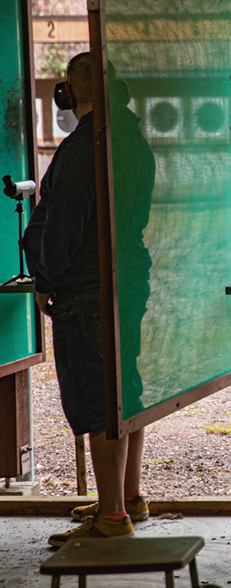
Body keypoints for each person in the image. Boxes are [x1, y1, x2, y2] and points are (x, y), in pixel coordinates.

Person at [22, 52, 154, 546]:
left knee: (100, 401)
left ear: (70, 94)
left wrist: (45, 277)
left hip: (87, 289)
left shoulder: (85, 146)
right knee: (125, 390)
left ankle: (113, 515)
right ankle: (128, 497)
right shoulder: (132, 137)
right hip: (126, 278)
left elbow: (63, 228)